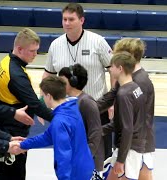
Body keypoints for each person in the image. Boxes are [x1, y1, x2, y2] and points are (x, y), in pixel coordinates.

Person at [42, 2, 115, 159]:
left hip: (97, 107)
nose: (67, 23)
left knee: (101, 156)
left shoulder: (98, 41)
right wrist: (42, 102)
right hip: (67, 111)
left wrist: (113, 101)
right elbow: (47, 75)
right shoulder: (55, 45)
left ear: (82, 20)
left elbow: (114, 71)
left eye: (71, 19)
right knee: (70, 155)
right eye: (64, 19)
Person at [0, 28, 53, 180]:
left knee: (4, 172)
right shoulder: (17, 75)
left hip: (1, 125)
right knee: (14, 174)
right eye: (32, 51)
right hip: (12, 132)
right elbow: (35, 104)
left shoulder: (6, 61)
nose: (35, 55)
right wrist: (60, 118)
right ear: (19, 49)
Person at [19, 76, 94, 180]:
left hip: (73, 173)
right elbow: (48, 137)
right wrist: (23, 144)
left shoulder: (59, 121)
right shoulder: (72, 108)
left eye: (43, 95)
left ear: (49, 96)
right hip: (84, 165)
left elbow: (63, 154)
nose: (43, 99)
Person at [99, 52, 146, 180]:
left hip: (128, 151)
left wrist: (121, 160)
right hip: (132, 147)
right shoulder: (135, 88)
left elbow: (127, 129)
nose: (109, 69)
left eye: (112, 66)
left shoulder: (124, 94)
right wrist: (99, 131)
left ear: (120, 69)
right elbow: (121, 123)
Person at [113, 38, 155, 180]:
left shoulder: (135, 83)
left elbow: (130, 125)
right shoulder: (138, 77)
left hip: (134, 144)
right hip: (140, 142)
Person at [58, 63, 104, 178]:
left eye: (62, 81)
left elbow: (95, 133)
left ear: (73, 82)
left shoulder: (87, 102)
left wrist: (84, 157)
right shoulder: (69, 101)